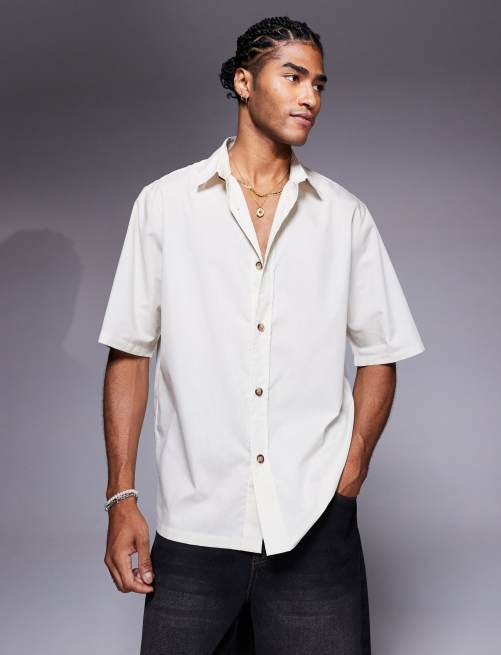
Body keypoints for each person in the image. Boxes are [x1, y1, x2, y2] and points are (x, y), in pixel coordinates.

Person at [98, 15, 425, 655]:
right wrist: (121, 497)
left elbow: (382, 353)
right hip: (195, 528)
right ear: (244, 83)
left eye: (319, 84)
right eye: (293, 77)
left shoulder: (344, 217)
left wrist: (351, 470)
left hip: (314, 527)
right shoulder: (165, 205)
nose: (311, 97)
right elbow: (130, 352)